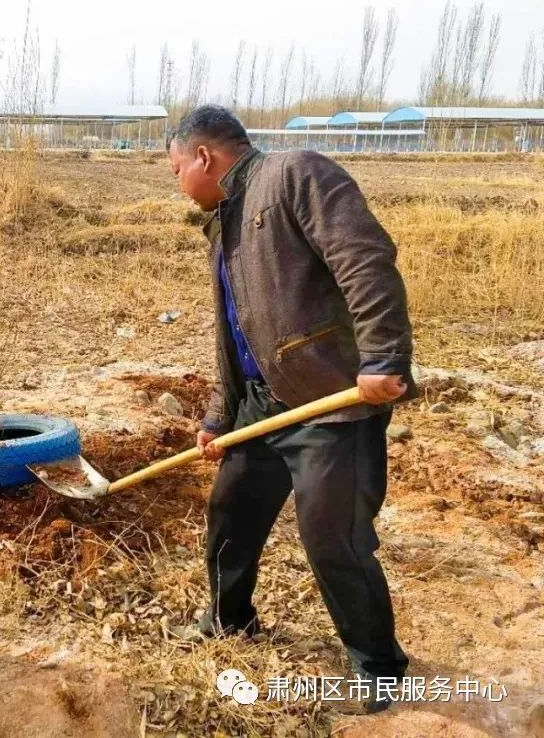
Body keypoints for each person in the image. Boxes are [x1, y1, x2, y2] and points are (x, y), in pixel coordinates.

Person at [167, 105, 415, 713]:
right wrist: (219, 417)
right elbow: (237, 331)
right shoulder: (224, 220)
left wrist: (384, 356)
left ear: (204, 157)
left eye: (175, 169)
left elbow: (366, 259)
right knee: (232, 516)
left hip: (329, 405)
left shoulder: (296, 175)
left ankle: (379, 669)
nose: (176, 182)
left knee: (335, 539)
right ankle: (229, 621)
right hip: (261, 405)